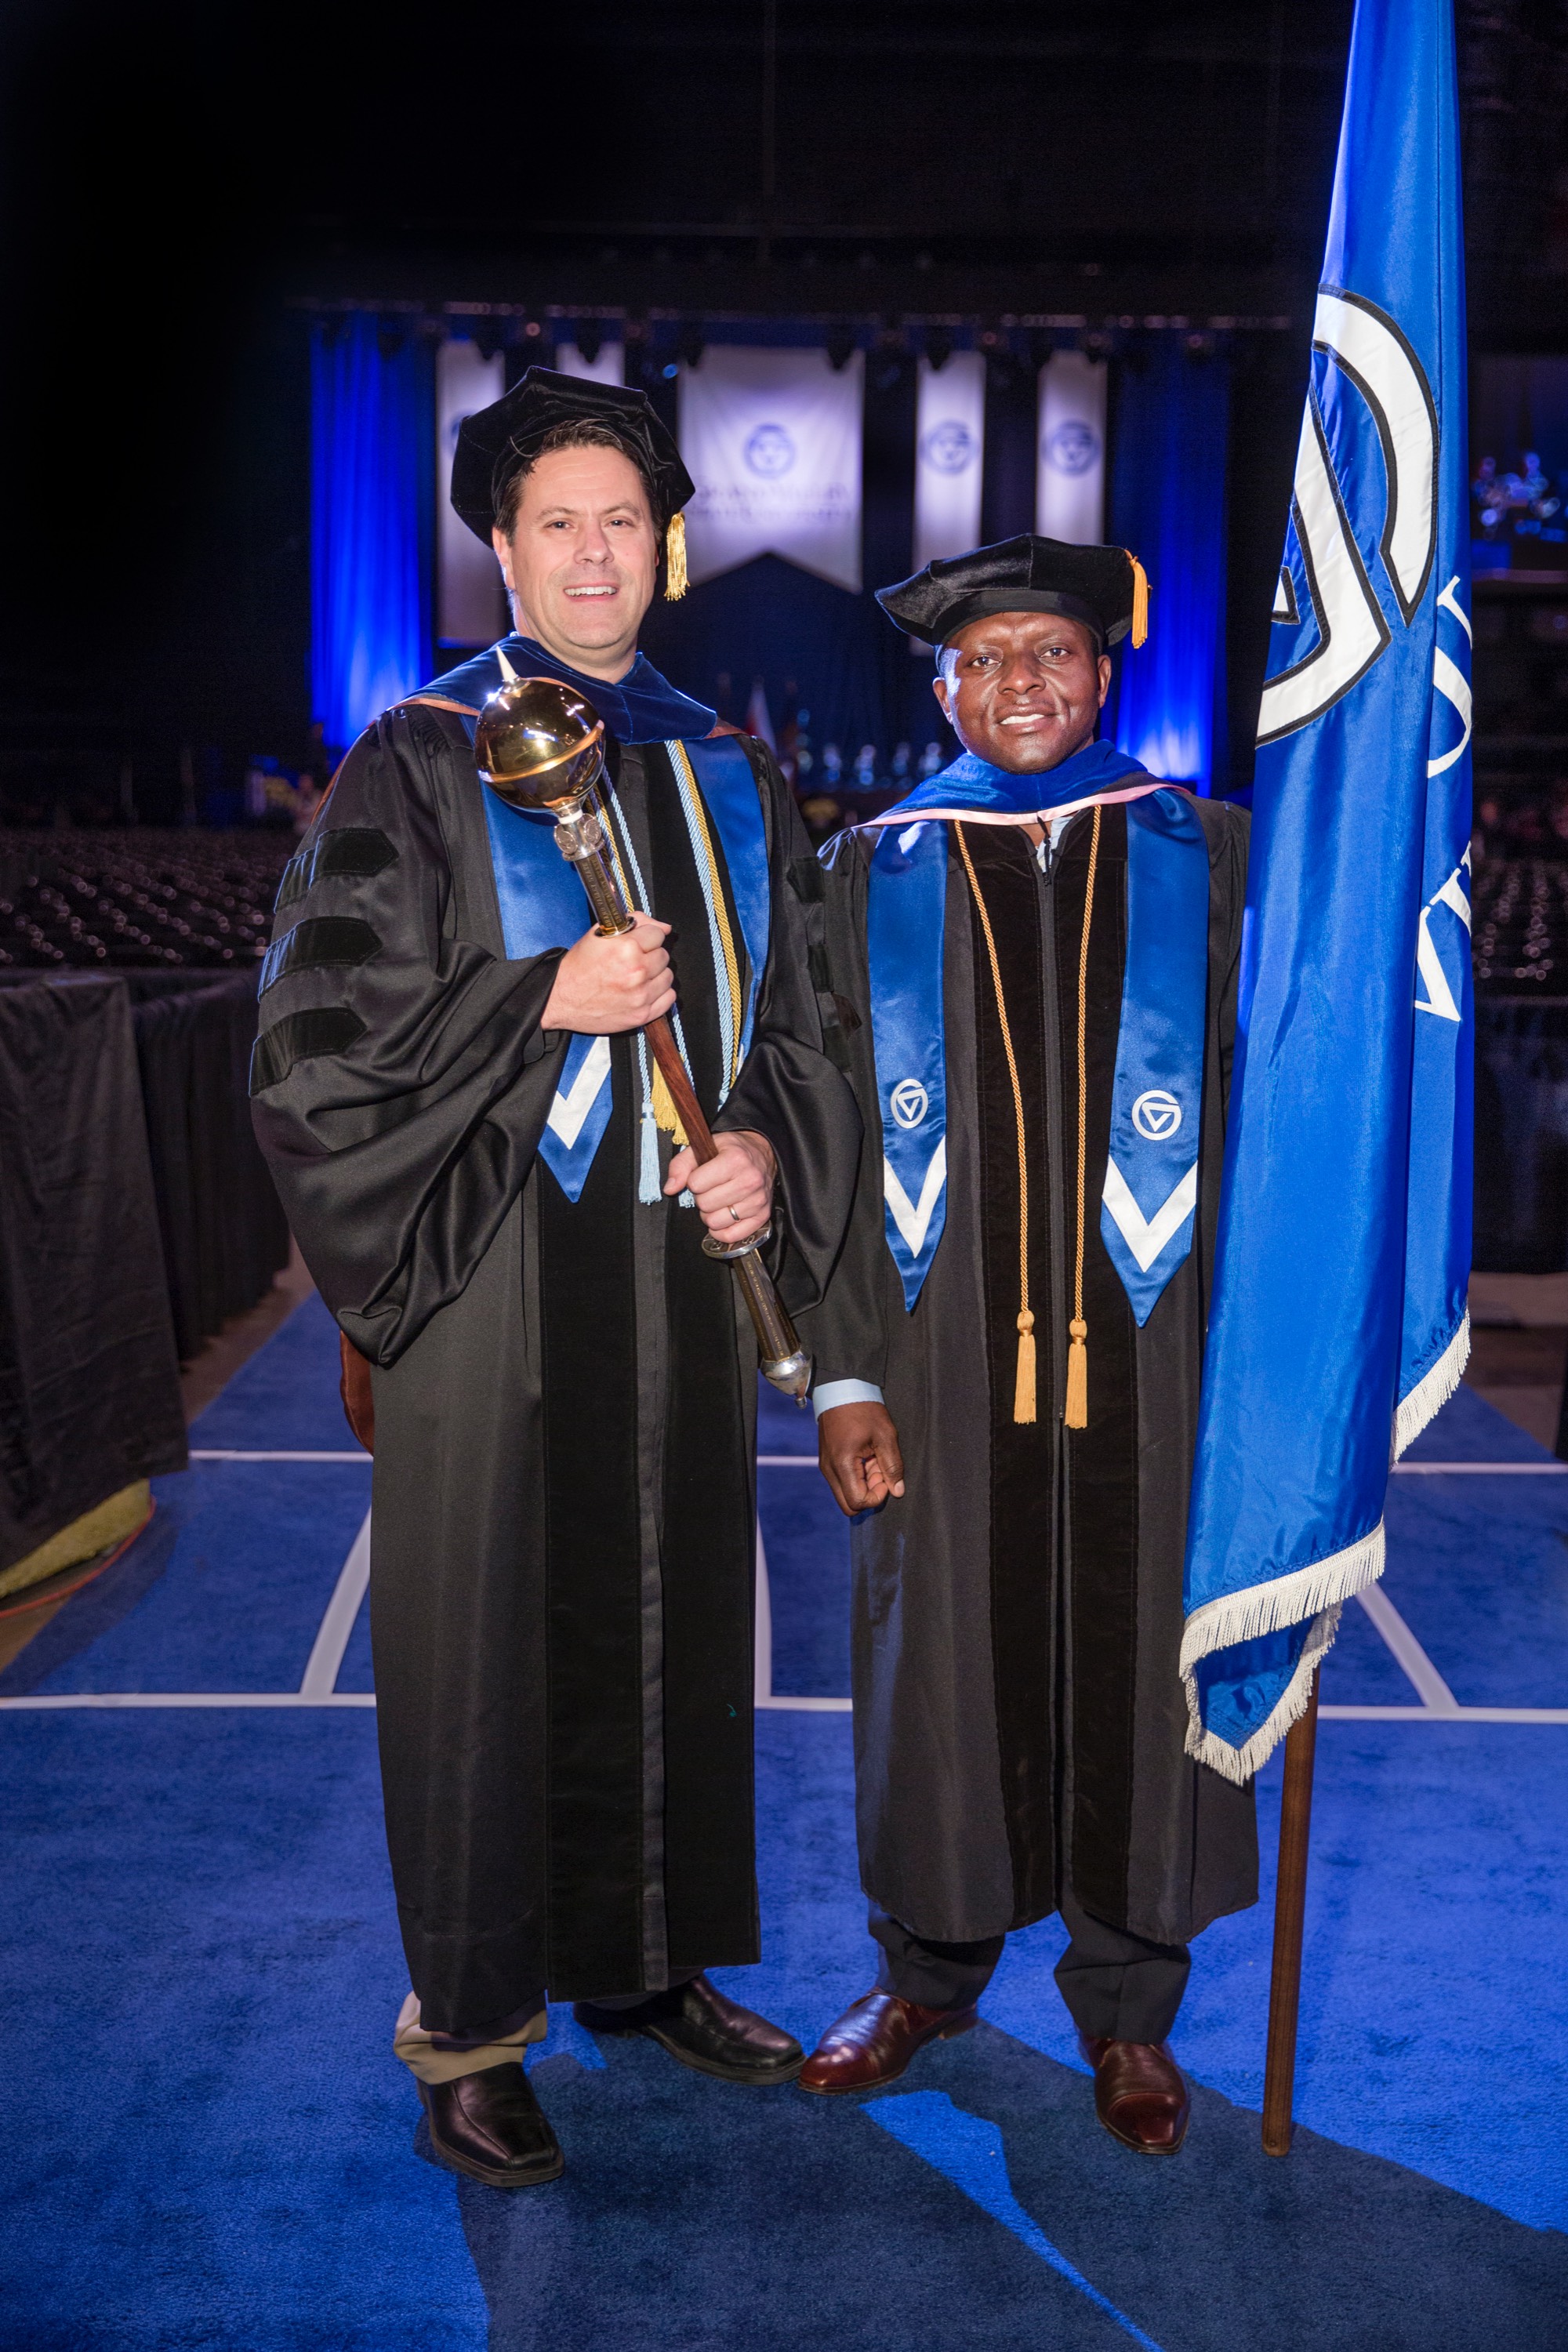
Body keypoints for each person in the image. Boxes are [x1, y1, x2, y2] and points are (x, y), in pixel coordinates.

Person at [252, 368, 859, 2189]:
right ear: (504, 555)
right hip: (491, 1271)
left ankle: (645, 1963)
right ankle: (471, 2028)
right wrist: (542, 998)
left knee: (670, 1618)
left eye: (622, 523)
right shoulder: (421, 755)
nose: (594, 557)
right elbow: (314, 1040)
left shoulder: (727, 767)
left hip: (675, 1281)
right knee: (481, 1652)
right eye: (556, 526)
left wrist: (766, 1150)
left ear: (663, 548)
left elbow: (806, 1023)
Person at [795, 534, 1256, 2156]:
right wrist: (844, 1372)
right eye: (983, 658)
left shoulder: (1211, 853)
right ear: (943, 691)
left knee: (1150, 1661)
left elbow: (1299, 1107)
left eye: (1051, 651)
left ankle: (1131, 2011)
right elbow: (826, 1143)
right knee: (935, 1660)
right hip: (932, 1358)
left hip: (1165, 1357)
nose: (1021, 682)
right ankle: (925, 1976)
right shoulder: (868, 876)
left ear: (1104, 671)